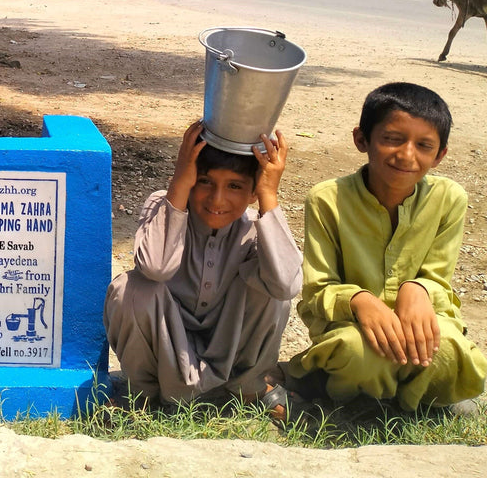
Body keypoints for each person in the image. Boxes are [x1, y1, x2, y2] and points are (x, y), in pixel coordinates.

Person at [288, 82, 487, 413]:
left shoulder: (450, 199)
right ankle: (399, 395)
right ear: (362, 139)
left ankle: (377, 395)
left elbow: (438, 278)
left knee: (453, 351)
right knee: (355, 352)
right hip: (353, 327)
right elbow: (318, 288)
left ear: (440, 156)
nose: (407, 155)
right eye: (392, 139)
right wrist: (360, 301)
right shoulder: (327, 200)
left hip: (420, 320)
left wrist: (418, 289)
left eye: (424, 145)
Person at [104, 121, 302, 417]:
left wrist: (268, 196)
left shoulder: (254, 230)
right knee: (129, 288)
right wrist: (179, 183)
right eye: (204, 181)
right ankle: (142, 395)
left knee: (274, 289)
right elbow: (155, 268)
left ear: (251, 191)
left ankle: (249, 387)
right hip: (168, 348)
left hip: (228, 345)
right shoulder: (162, 205)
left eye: (235, 186)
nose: (217, 199)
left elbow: (287, 285)